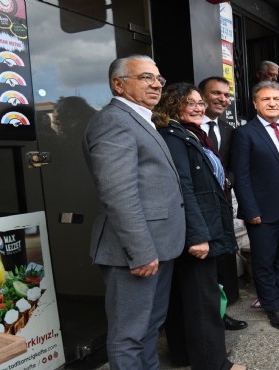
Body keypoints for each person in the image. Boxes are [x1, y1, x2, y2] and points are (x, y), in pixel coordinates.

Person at [83, 55, 184, 369]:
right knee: (129, 336)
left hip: (159, 246)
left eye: (158, 78)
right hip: (136, 252)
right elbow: (119, 193)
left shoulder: (140, 118)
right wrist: (140, 252)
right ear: (118, 83)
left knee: (150, 327)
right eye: (145, 77)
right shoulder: (113, 121)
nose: (156, 84)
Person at [153, 82, 245, 370]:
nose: (198, 107)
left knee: (186, 297)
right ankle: (213, 364)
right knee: (202, 301)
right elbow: (183, 189)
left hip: (202, 227)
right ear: (172, 104)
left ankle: (186, 355)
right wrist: (198, 236)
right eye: (190, 102)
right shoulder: (173, 137)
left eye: (199, 103)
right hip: (197, 232)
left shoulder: (190, 134)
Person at [231, 81, 279, 330]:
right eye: (266, 99)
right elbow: (241, 176)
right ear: (255, 104)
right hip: (263, 210)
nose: (272, 103)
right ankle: (271, 306)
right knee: (264, 260)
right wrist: (250, 210)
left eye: (276, 98)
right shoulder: (245, 133)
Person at [198, 76, 248, 331]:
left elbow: (234, 166)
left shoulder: (229, 130)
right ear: (201, 96)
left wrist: (228, 178)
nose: (222, 99)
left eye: (226, 95)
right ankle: (208, 318)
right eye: (216, 93)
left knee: (221, 259)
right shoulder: (187, 128)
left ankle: (221, 311)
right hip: (198, 208)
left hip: (223, 205)